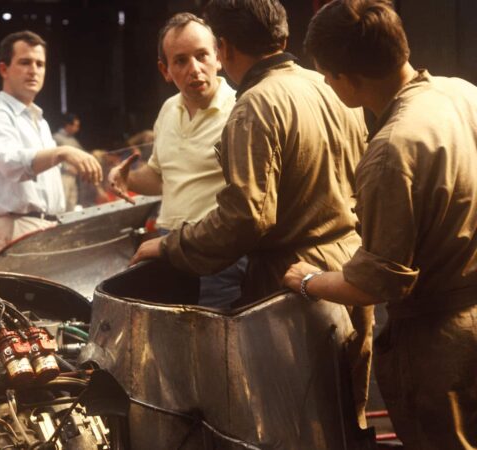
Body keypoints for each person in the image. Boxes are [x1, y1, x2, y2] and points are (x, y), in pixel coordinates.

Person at [129, 0, 373, 427]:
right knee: (344, 416)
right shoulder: (328, 86)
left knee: (288, 421)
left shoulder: (254, 104)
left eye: (205, 53)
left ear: (222, 48)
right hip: (348, 271)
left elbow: (246, 218)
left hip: (294, 286)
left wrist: (171, 246)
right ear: (282, 36)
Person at [284, 1, 477, 446]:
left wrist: (308, 280)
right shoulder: (461, 92)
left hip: (440, 345)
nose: (329, 85)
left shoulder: (393, 149)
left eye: (328, 76)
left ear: (347, 79)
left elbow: (377, 284)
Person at [109, 12, 243, 308]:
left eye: (202, 55)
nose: (194, 68)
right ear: (165, 69)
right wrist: (127, 178)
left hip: (218, 253)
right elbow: (161, 177)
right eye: (181, 60)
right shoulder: (168, 109)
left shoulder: (241, 110)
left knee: (213, 341)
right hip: (168, 245)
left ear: (218, 56)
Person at [0, 30, 102, 265]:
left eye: (40, 64)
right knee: (15, 303)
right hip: (16, 226)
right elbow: (11, 165)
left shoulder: (40, 121)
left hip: (47, 226)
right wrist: (62, 152)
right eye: (25, 62)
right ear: (4, 69)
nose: (34, 70)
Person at [52, 113, 84, 212]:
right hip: (61, 177)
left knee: (71, 203)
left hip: (72, 177)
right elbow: (51, 158)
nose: (77, 129)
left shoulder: (73, 141)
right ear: (68, 125)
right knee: (63, 202)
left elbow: (82, 154)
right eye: (75, 126)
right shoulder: (56, 138)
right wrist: (66, 168)